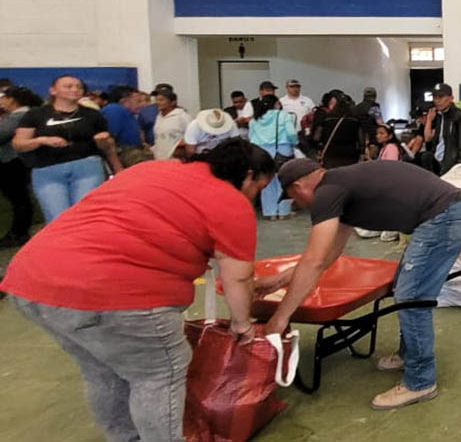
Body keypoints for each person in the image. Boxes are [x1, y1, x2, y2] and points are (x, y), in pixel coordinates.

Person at [0, 139, 273, 442]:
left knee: (103, 372)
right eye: (259, 188)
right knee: (158, 375)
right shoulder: (231, 202)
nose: (255, 196)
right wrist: (242, 324)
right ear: (248, 175)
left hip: (30, 281)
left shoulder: (152, 169)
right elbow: (237, 279)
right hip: (114, 293)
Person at [261, 158, 461, 410]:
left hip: (443, 215)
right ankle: (409, 355)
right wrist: (280, 280)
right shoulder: (340, 184)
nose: (298, 204)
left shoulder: (327, 192)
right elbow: (328, 254)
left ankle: (420, 381)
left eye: (293, 198)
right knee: (406, 288)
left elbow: (315, 261)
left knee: (412, 298)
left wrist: (280, 318)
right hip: (446, 211)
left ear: (297, 186)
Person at [13, 75, 123, 223]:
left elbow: (108, 148)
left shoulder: (93, 115)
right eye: (68, 86)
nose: (75, 90)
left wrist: (114, 162)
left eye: (79, 87)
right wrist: (41, 140)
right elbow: (19, 144)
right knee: (57, 217)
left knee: (85, 215)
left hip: (87, 167)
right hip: (48, 170)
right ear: (53, 90)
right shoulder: (35, 114)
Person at [0, 86, 44, 247]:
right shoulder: (22, 115)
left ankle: (19, 233)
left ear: (12, 99)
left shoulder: (18, 116)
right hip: (17, 161)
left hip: (14, 162)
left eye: (3, 98)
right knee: (20, 198)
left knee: (19, 198)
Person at [249, 95, 297, 220]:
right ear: (276, 104)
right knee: (283, 181)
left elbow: (251, 138)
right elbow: (291, 133)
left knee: (266, 182)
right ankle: (284, 211)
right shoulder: (283, 115)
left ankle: (270, 212)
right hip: (282, 150)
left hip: (262, 152)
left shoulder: (255, 119)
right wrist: (295, 143)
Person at [419, 84, 461, 176]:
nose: (437, 100)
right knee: (425, 157)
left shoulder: (460, 117)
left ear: (451, 98)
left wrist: (459, 169)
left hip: (451, 165)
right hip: (438, 162)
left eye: (441, 97)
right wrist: (429, 120)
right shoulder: (439, 116)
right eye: (434, 97)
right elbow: (429, 139)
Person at [102, 85, 151, 167]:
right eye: (137, 101)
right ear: (124, 101)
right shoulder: (114, 109)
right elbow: (109, 140)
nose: (140, 105)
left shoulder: (129, 114)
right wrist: (116, 165)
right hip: (126, 154)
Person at [313, 92, 363, 169]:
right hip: (350, 155)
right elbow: (361, 140)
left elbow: (316, 137)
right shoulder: (354, 120)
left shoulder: (327, 119)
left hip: (330, 155)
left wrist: (319, 148)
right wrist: (361, 152)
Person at [150, 89, 192, 161]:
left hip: (176, 161)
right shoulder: (158, 117)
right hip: (159, 160)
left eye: (161, 100)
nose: (157, 102)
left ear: (173, 102)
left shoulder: (183, 116)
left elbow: (192, 137)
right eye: (156, 100)